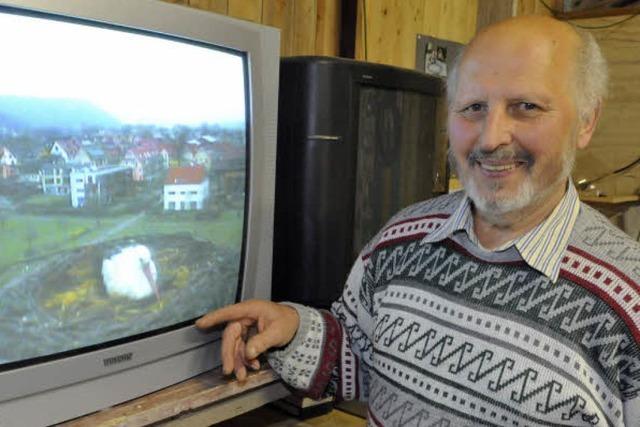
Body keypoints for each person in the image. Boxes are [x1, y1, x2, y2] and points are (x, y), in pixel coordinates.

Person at [197, 15, 640, 426]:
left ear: (586, 120)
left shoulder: (631, 297)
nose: (491, 138)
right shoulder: (400, 237)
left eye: (525, 107)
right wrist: (290, 327)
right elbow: (359, 359)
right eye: (473, 108)